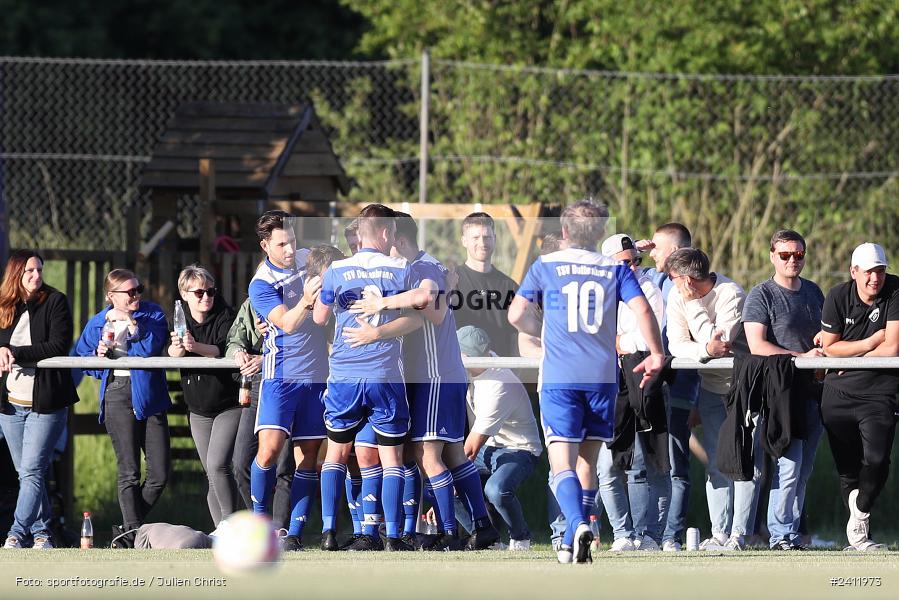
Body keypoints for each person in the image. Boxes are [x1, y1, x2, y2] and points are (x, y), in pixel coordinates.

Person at [509, 200, 665, 564]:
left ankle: (577, 524)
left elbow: (516, 314)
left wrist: (544, 330)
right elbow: (643, 309)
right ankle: (571, 540)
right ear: (600, 233)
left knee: (561, 463)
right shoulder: (615, 268)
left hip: (560, 376)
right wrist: (657, 353)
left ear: (564, 231)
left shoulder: (545, 265)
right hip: (602, 376)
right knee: (587, 463)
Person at [348, 212, 499, 551]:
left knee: (426, 454)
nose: (385, 247)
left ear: (399, 240)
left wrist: (382, 304)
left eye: (389, 240)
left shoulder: (420, 267)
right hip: (442, 374)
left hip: (435, 376)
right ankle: (482, 525)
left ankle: (449, 531)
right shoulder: (425, 266)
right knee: (453, 454)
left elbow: (433, 307)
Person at [314, 203, 423, 552]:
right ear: (386, 233)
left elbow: (319, 318)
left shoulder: (336, 269)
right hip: (384, 374)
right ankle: (393, 536)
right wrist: (379, 332)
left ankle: (329, 532)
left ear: (359, 234)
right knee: (391, 459)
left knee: (336, 454)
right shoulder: (401, 269)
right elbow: (416, 319)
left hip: (344, 373)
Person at [247, 210, 328, 552]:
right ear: (265, 246)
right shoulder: (261, 283)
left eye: (293, 240)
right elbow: (288, 324)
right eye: (282, 244)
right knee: (268, 450)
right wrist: (307, 301)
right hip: (280, 375)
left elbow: (339, 266)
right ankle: (259, 525)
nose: (291, 249)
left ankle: (294, 532)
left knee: (308, 454)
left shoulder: (310, 259)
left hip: (316, 376)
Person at [664, 248, 754, 550]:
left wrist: (693, 305)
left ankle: (739, 534)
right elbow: (678, 345)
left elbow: (721, 342)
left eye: (673, 279)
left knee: (743, 460)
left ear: (687, 280)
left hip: (743, 387)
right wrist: (704, 351)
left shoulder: (731, 293)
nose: (672, 284)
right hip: (711, 388)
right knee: (716, 461)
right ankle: (719, 533)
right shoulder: (677, 296)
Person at [73, 269, 171, 544]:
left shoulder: (153, 314)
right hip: (117, 392)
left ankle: (127, 532)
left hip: (149, 395)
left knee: (159, 473)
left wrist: (131, 324)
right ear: (111, 296)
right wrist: (98, 357)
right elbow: (82, 357)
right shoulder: (98, 322)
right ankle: (132, 534)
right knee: (129, 470)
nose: (136, 295)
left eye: (139, 289)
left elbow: (150, 348)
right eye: (130, 292)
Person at [742, 230, 825, 550]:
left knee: (803, 470)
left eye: (798, 255)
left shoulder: (814, 292)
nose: (793, 260)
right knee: (787, 467)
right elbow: (757, 345)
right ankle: (779, 535)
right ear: (772, 256)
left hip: (813, 390)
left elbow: (826, 334)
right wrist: (801, 357)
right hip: (779, 392)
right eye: (785, 255)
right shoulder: (761, 294)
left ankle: (790, 533)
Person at [819, 242, 899, 551]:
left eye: (880, 271)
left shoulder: (896, 290)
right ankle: (860, 539)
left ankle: (861, 512)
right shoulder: (837, 296)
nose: (875, 278)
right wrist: (869, 342)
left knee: (877, 460)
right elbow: (830, 347)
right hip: (838, 391)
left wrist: (852, 358)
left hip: (880, 391)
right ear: (854, 272)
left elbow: (892, 348)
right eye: (868, 272)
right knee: (848, 468)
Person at [0, 250, 79, 549]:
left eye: (39, 270)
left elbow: (58, 345)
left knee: (32, 471)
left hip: (46, 403)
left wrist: (15, 352)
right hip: (10, 404)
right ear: (16, 274)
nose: (36, 276)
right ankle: (43, 535)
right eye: (30, 271)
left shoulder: (55, 301)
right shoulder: (4, 304)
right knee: (27, 475)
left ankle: (16, 533)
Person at [635, 222, 701, 551]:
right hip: (647, 387)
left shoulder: (692, 284)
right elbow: (612, 271)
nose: (652, 254)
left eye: (657, 248)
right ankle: (644, 534)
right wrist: (634, 249)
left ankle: (670, 535)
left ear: (674, 252)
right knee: (645, 465)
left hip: (678, 389)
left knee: (675, 465)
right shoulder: (651, 279)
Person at [601, 233, 668, 551]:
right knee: (607, 466)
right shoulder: (593, 291)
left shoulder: (648, 288)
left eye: (636, 261)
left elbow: (646, 340)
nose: (632, 268)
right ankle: (622, 534)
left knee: (643, 464)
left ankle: (646, 535)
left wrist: (615, 341)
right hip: (605, 384)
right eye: (625, 263)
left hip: (640, 380)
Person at [167, 265, 240, 531]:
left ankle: (230, 526)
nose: (206, 297)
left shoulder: (225, 315)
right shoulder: (179, 317)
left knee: (218, 465)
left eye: (210, 291)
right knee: (211, 473)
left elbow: (222, 348)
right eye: (199, 292)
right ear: (185, 294)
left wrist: (194, 347)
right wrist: (177, 348)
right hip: (198, 407)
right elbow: (172, 353)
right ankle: (221, 530)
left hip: (228, 404)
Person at [457, 326, 542, 550]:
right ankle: (488, 539)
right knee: (439, 484)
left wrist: (453, 478)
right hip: (489, 448)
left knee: (496, 490)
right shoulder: (480, 364)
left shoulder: (499, 383)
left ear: (467, 356)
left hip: (520, 450)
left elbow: (471, 449)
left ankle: (521, 538)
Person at [226, 296, 296, 531]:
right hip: (256, 387)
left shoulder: (301, 298)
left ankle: (282, 530)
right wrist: (238, 352)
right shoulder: (254, 300)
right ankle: (261, 523)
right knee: (241, 462)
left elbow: (311, 346)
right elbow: (234, 339)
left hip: (288, 383)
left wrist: (267, 359)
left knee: (284, 465)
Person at [452, 212, 519, 356]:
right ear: (464, 241)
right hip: (463, 366)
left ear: (495, 239)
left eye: (487, 237)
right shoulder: (451, 282)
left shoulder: (510, 287)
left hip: (500, 367)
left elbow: (516, 336)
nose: (482, 243)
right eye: (475, 238)